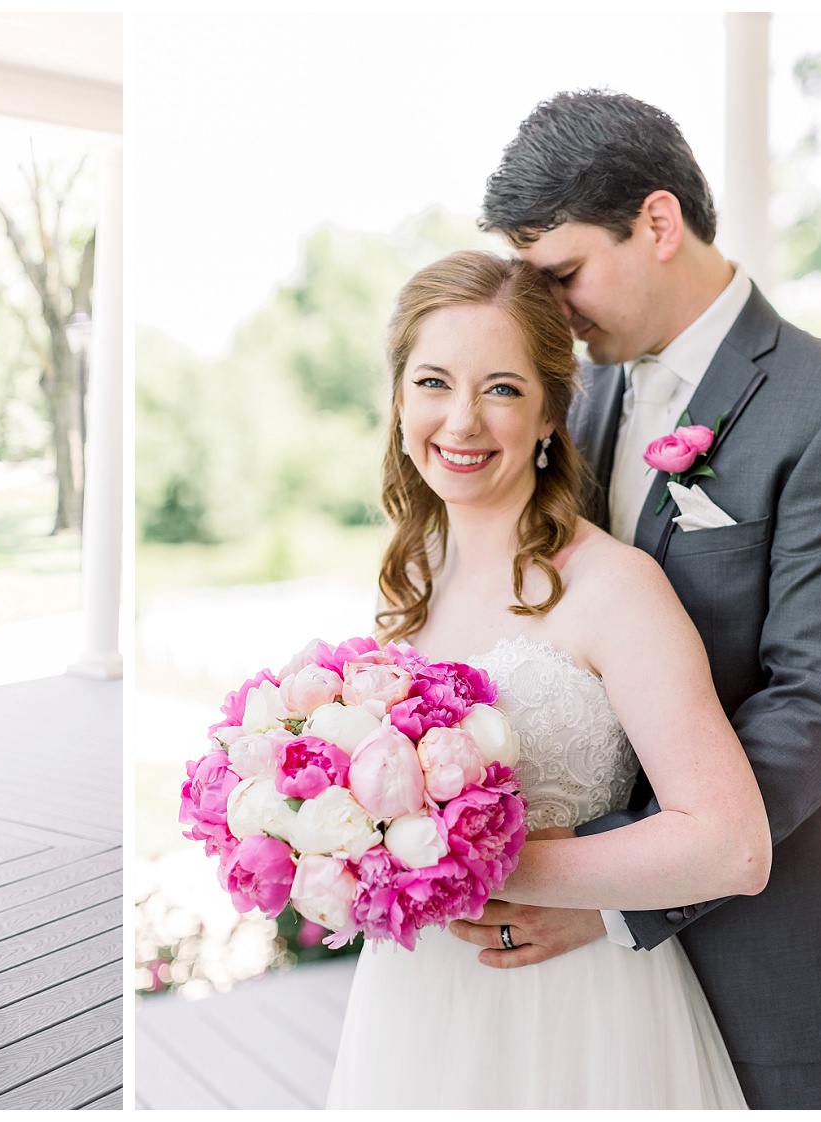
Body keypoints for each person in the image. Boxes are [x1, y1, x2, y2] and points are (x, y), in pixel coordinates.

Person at [468, 90, 821, 1110]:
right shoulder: (576, 394)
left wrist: (611, 893)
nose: (548, 312)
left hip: (760, 947)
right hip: (582, 989)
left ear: (656, 222)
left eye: (562, 274)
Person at [326, 250, 769, 1108]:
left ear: (548, 417)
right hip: (414, 1012)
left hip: (576, 1018)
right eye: (431, 382)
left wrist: (467, 867)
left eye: (499, 388)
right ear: (399, 400)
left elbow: (732, 845)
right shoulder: (409, 579)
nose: (459, 421)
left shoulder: (613, 588)